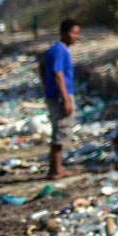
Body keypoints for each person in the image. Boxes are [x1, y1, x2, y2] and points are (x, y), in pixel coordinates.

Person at [40, 19, 81, 180]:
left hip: (54, 94)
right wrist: (66, 99)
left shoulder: (54, 49)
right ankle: (56, 170)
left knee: (58, 131)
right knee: (60, 132)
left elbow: (42, 66)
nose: (76, 37)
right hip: (59, 96)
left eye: (78, 33)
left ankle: (56, 169)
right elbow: (58, 74)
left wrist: (44, 84)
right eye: (74, 33)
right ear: (64, 33)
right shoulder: (60, 50)